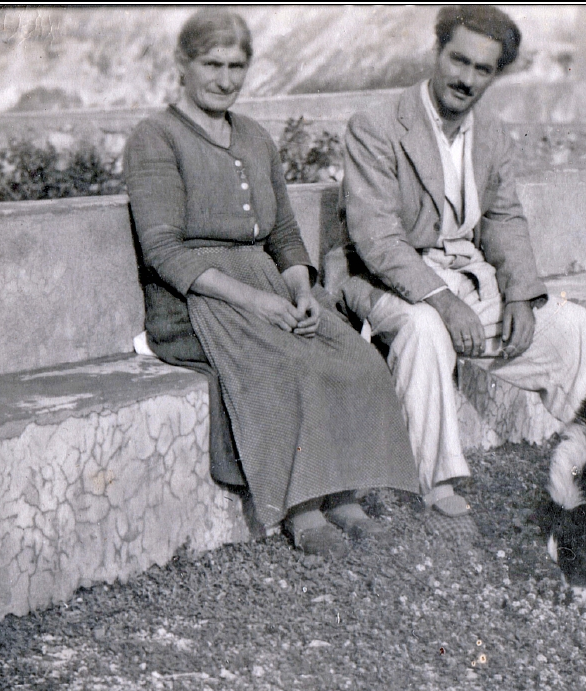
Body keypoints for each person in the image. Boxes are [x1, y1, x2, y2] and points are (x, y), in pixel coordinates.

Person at [124, 9, 418, 557]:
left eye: (237, 66)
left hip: (268, 286)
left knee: (356, 357)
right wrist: (257, 301)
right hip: (196, 300)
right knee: (291, 363)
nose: (225, 79)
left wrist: (302, 291)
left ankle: (345, 496)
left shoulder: (255, 136)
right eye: (212, 64)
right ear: (181, 65)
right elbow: (163, 252)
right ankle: (302, 508)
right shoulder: (155, 138)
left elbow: (283, 233)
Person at [334, 5, 586, 526]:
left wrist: (523, 297)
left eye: (482, 70)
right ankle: (431, 483)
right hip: (386, 279)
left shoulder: (493, 135)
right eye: (458, 61)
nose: (466, 79)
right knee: (424, 328)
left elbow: (505, 218)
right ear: (435, 53)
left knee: (571, 326)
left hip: (467, 279)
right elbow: (376, 239)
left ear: (496, 75)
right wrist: (442, 299)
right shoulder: (376, 126)